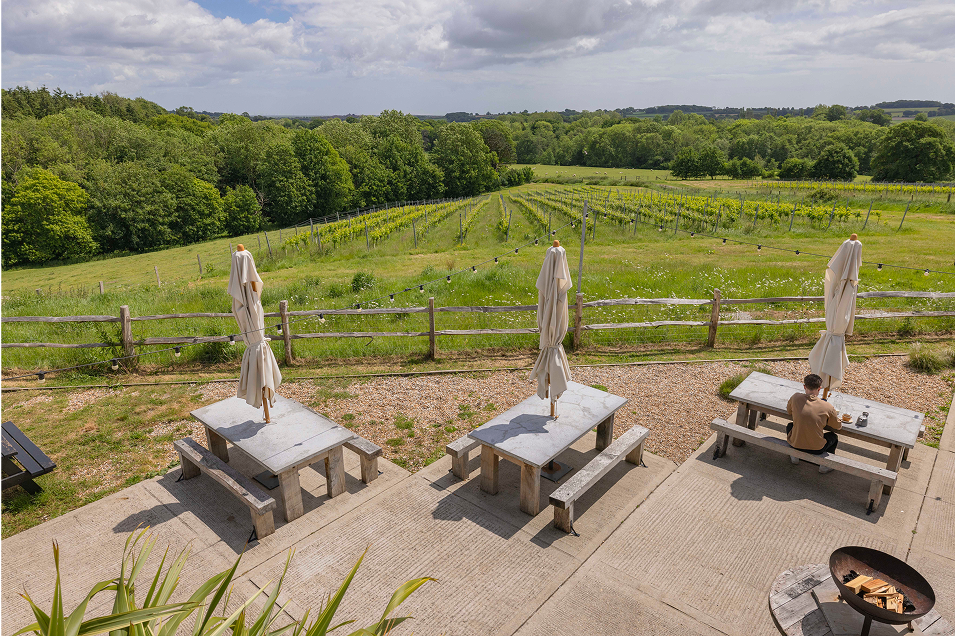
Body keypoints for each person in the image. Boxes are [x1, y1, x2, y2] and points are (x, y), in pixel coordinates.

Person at [786, 373, 841, 473]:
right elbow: (837, 426)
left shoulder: (795, 398)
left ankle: (794, 456)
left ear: (804, 386)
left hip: (795, 444)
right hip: (816, 448)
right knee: (833, 437)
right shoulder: (827, 407)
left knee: (790, 426)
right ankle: (825, 465)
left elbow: (789, 411)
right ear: (819, 388)